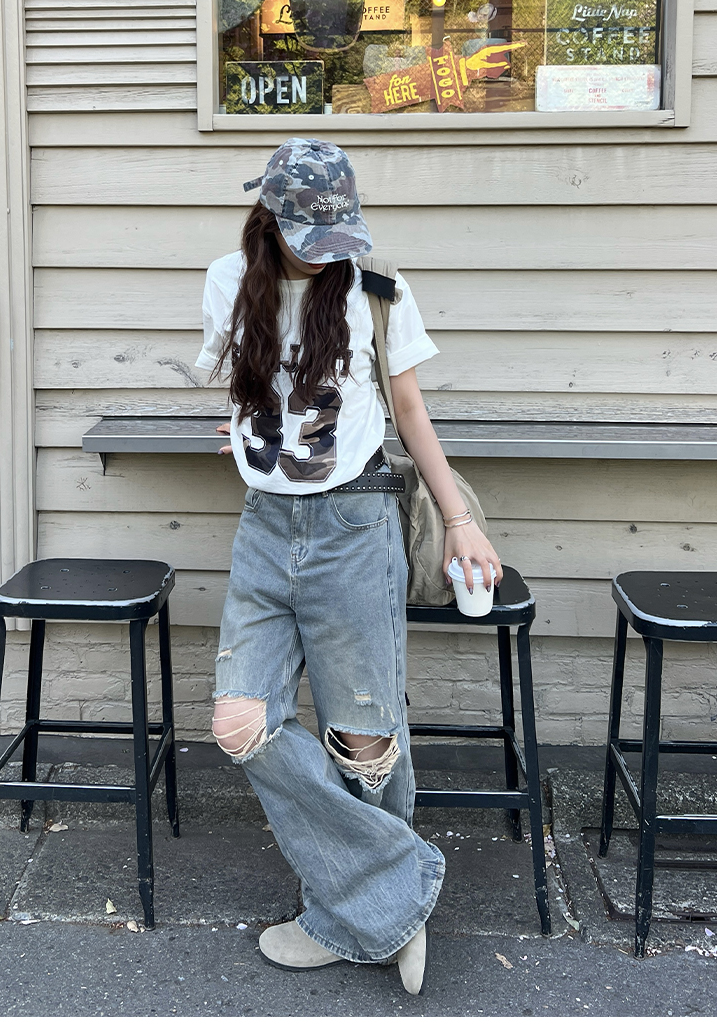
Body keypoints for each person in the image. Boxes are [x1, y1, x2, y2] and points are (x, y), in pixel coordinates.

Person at [194, 138, 502, 995]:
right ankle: (401, 888)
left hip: (355, 524)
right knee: (241, 723)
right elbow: (249, 385)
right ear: (270, 217)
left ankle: (347, 918)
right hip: (265, 528)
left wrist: (459, 520)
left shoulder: (377, 287)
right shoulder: (227, 280)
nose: (324, 252)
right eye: (308, 236)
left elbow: (409, 411)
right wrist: (257, 435)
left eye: (337, 235)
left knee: (364, 740)